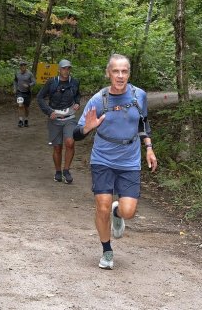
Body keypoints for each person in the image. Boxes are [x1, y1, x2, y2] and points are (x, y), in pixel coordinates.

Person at [73, 54, 157, 269]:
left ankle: (117, 213)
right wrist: (87, 128)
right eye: (116, 71)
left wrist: (149, 148)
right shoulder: (98, 100)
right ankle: (107, 251)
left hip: (129, 160)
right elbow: (76, 135)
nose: (120, 76)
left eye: (124, 71)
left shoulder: (139, 96)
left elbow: (143, 124)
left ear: (129, 73)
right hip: (103, 158)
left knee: (129, 211)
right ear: (108, 73)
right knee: (102, 206)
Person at [37, 59, 81, 184]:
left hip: (70, 118)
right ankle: (58, 172)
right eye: (64, 68)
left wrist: (77, 103)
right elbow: (40, 97)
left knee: (70, 143)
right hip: (54, 119)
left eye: (68, 68)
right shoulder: (51, 82)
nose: (66, 71)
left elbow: (77, 94)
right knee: (57, 148)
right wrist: (48, 111)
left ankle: (66, 170)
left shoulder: (75, 82)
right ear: (59, 69)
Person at [14, 61, 36, 127]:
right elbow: (15, 81)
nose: (23, 67)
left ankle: (26, 120)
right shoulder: (17, 73)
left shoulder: (30, 74)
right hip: (19, 92)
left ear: (26, 66)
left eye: (24, 66)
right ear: (20, 67)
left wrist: (29, 85)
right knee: (20, 106)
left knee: (26, 107)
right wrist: (14, 88)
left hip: (27, 93)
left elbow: (34, 82)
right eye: (21, 66)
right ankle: (20, 121)